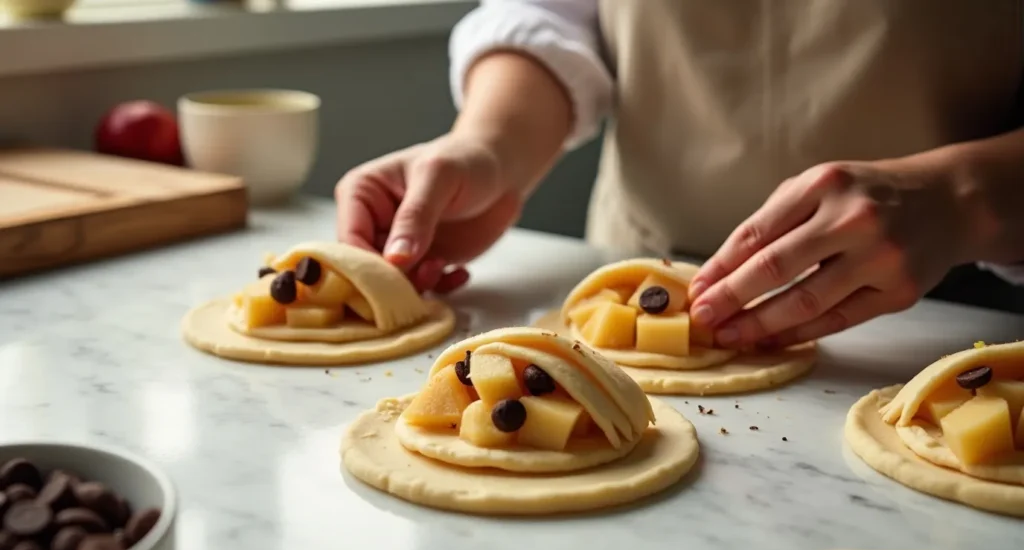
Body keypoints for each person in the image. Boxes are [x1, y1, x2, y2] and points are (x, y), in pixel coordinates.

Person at [334, 0, 1024, 350]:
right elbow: (550, 11)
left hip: (960, 311)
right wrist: (490, 144)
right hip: (625, 285)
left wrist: (967, 198)